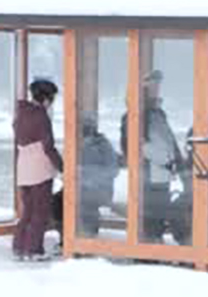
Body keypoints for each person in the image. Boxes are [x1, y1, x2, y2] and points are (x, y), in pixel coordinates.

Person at [121, 69, 184, 243]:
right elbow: (133, 146)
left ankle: (154, 242)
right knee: (150, 213)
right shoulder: (134, 116)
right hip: (147, 175)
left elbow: (168, 139)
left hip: (162, 175)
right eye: (153, 85)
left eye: (158, 85)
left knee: (159, 211)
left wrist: (178, 161)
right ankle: (149, 248)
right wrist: (165, 160)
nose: (157, 89)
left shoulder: (158, 114)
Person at [12, 79, 63, 260]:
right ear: (46, 98)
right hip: (39, 170)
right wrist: (62, 166)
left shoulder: (22, 113)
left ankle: (19, 247)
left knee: (28, 211)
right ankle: (33, 250)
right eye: (53, 98)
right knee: (40, 212)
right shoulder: (41, 116)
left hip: (24, 169)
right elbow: (48, 147)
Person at [76, 114, 121, 237]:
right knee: (59, 203)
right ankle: (69, 240)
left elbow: (113, 169)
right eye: (84, 126)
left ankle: (88, 237)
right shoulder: (76, 144)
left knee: (86, 205)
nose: (86, 129)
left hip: (98, 188)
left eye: (89, 126)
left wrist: (89, 177)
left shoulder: (103, 145)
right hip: (80, 187)